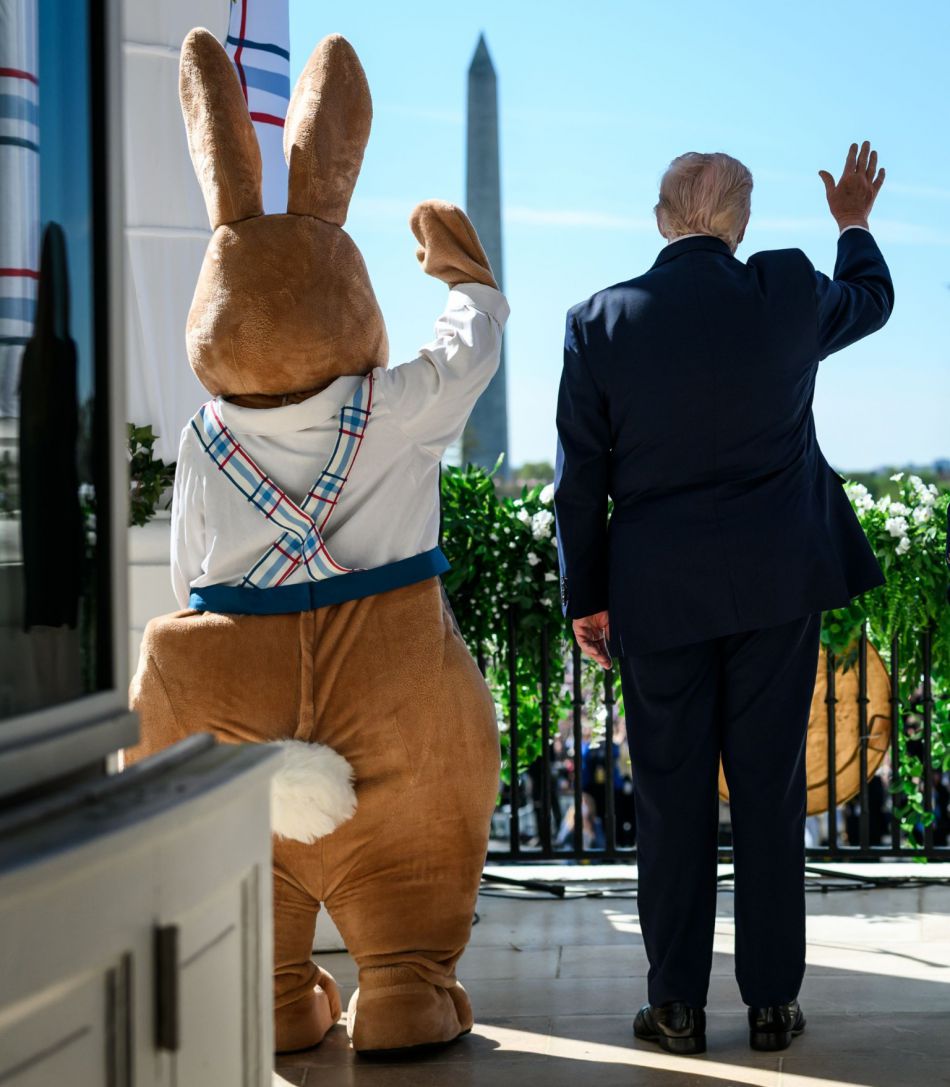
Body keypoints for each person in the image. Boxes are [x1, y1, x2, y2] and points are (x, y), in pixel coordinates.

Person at [554, 142, 892, 1055]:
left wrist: (587, 597)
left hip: (657, 597)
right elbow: (872, 299)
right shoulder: (784, 290)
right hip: (777, 585)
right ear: (740, 226)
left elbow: (580, 484)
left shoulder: (599, 320)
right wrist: (853, 222)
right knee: (771, 792)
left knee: (671, 801)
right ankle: (773, 1003)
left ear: (661, 219)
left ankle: (676, 1007)